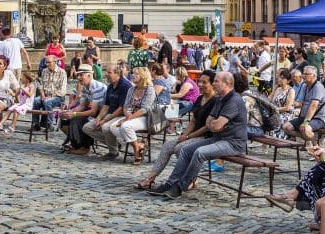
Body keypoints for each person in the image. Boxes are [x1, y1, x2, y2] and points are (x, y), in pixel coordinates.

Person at [149, 72, 248, 200]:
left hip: (232, 143)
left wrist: (215, 124)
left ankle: (180, 187)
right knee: (185, 150)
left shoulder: (233, 100)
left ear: (228, 84)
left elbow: (215, 126)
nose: (214, 84)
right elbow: (210, 122)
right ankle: (170, 183)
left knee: (199, 152)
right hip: (218, 138)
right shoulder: (220, 98)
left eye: (217, 81)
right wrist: (215, 124)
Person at [138, 70, 216, 191]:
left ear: (212, 84)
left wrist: (188, 137)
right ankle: (150, 179)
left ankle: (190, 178)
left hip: (205, 136)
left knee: (181, 148)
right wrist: (184, 134)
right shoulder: (200, 98)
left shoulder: (215, 101)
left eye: (204, 82)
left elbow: (207, 126)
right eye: (199, 81)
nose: (200, 84)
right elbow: (193, 120)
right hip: (192, 134)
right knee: (168, 145)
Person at [94, 66, 155, 163]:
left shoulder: (149, 90)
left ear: (143, 76)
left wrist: (128, 118)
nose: (132, 76)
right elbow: (125, 106)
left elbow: (144, 109)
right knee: (112, 127)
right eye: (133, 74)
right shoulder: (132, 89)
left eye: (136, 74)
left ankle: (136, 151)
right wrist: (127, 115)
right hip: (131, 116)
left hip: (145, 118)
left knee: (125, 126)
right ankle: (138, 146)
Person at [82, 67, 133, 158]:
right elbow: (106, 106)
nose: (106, 74)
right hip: (110, 113)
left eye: (109, 72)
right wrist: (98, 119)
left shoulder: (125, 86)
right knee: (87, 128)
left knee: (105, 127)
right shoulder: (110, 86)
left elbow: (121, 109)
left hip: (122, 115)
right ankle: (114, 144)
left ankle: (113, 152)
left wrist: (104, 120)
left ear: (117, 74)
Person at [60, 64, 106, 154]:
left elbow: (93, 112)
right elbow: (82, 106)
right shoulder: (85, 87)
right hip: (97, 112)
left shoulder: (97, 87)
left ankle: (84, 147)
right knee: (64, 121)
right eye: (78, 75)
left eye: (81, 75)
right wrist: (69, 112)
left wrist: (74, 114)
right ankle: (76, 144)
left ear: (89, 75)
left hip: (104, 114)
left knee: (78, 120)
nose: (79, 77)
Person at [287, 66, 325, 143]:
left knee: (304, 128)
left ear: (314, 75)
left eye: (307, 74)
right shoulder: (305, 86)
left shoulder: (318, 87)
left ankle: (315, 143)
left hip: (319, 119)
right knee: (286, 127)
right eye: (303, 73)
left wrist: (305, 122)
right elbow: (301, 103)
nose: (304, 76)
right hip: (305, 116)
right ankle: (313, 140)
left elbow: (313, 106)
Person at [31, 55, 69, 134]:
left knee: (48, 102)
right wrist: (42, 95)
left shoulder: (62, 72)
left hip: (58, 97)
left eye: (49, 62)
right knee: (36, 101)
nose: (47, 64)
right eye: (46, 62)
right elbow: (40, 85)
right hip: (45, 95)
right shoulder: (44, 71)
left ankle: (49, 124)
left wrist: (50, 96)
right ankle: (36, 124)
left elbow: (62, 90)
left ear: (55, 62)